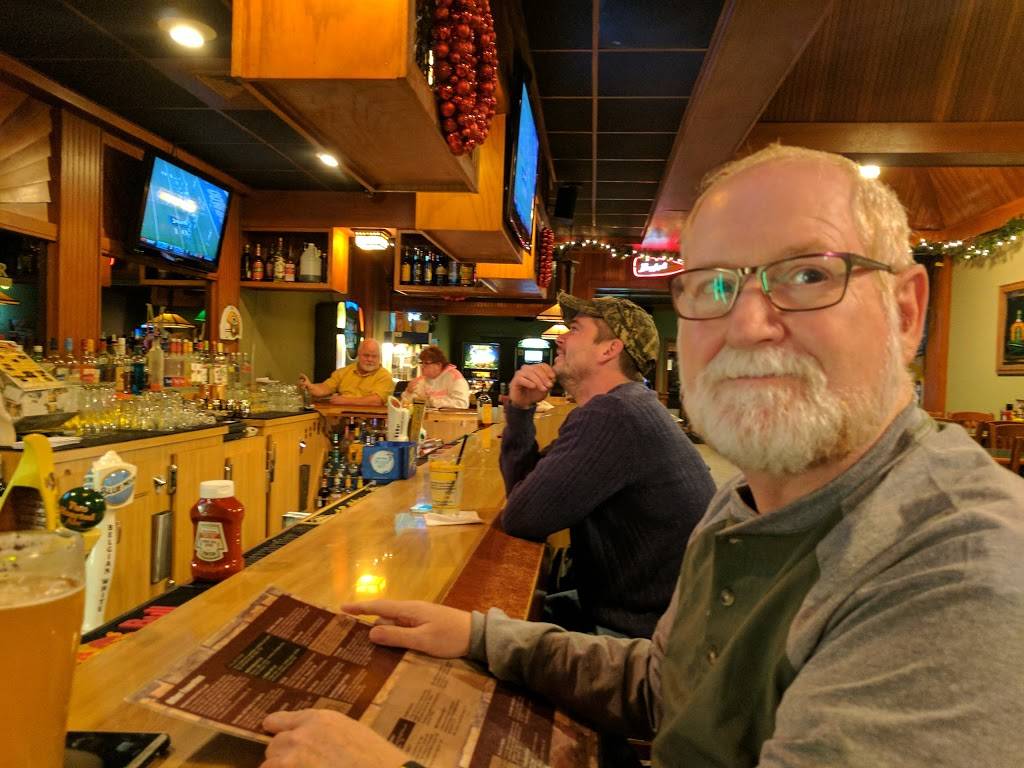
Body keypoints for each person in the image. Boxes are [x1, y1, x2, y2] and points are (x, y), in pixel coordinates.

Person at [262, 145, 1024, 767]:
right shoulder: (748, 501)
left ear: (905, 311)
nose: (748, 324)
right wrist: (480, 635)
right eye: (714, 285)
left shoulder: (965, 568)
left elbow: (529, 513)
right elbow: (667, 687)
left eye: (808, 275)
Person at [499, 291, 715, 638]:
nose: (560, 338)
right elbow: (526, 496)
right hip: (640, 615)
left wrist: (520, 419)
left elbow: (522, 518)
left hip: (641, 637)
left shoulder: (615, 415)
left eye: (574, 329)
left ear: (609, 349)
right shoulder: (624, 408)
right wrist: (521, 410)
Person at [298, 338, 394, 406]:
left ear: (379, 357)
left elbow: (376, 401)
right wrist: (310, 386)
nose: (370, 359)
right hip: (341, 421)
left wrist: (345, 401)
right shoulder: (343, 372)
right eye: (366, 355)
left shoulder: (385, 376)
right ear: (359, 355)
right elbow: (325, 388)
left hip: (370, 422)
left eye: (374, 356)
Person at [399, 345, 470, 409]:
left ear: (438, 365)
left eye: (426, 363)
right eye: (421, 363)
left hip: (449, 419)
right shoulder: (421, 380)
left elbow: (462, 404)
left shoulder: (454, 377)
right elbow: (406, 405)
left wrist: (432, 402)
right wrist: (409, 392)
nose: (422, 366)